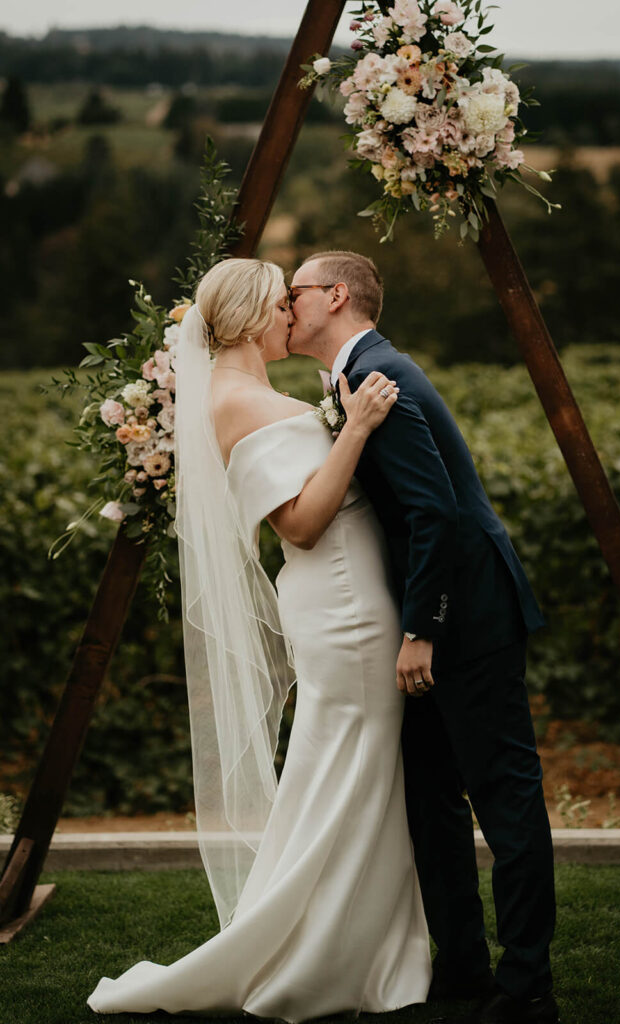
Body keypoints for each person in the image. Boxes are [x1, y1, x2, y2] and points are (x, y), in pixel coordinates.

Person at [87, 258, 432, 1019]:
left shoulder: (250, 396)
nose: (291, 317)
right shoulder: (239, 401)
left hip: (346, 600)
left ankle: (350, 948)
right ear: (248, 319)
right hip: (340, 605)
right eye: (281, 305)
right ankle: (316, 958)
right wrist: (358, 427)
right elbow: (302, 525)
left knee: (346, 775)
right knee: (351, 773)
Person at [287, 250, 559, 1024]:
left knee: (503, 798)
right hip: (438, 615)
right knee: (430, 800)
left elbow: (434, 513)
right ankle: (463, 968)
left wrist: (419, 633)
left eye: (293, 293)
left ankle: (527, 984)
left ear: (336, 296)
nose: (285, 305)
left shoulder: (380, 376)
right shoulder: (355, 374)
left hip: (466, 617)